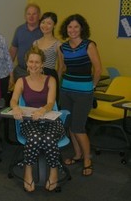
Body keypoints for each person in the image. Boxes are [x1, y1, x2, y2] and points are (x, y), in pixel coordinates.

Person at [10, 46, 65, 192]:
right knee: (34, 137)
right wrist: (15, 107)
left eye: (37, 62)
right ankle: (28, 170)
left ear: (42, 64)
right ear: (26, 63)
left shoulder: (51, 80)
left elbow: (51, 103)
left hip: (50, 119)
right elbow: (13, 100)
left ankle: (53, 170)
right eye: (31, 61)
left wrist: (43, 110)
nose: (33, 65)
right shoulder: (21, 81)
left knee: (48, 138)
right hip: (30, 121)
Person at [58, 14, 102, 176]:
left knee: (78, 127)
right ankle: (77, 155)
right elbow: (62, 68)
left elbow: (98, 69)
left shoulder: (89, 45)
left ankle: (87, 159)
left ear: (81, 28)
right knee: (69, 125)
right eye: (70, 27)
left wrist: (93, 86)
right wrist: (57, 85)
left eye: (76, 26)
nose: (73, 30)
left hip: (84, 93)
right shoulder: (62, 47)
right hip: (66, 90)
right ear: (66, 29)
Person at [33, 12, 64, 105]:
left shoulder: (58, 44)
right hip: (36, 75)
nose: (45, 25)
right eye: (43, 22)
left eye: (49, 23)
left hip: (50, 76)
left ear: (54, 25)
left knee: (49, 106)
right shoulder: (35, 43)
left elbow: (61, 66)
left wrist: (56, 81)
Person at [9, 3, 43, 82]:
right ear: (25, 16)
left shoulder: (43, 31)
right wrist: (9, 70)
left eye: (34, 14)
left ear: (39, 15)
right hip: (20, 72)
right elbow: (13, 50)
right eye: (28, 14)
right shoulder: (19, 30)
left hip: (37, 72)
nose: (31, 16)